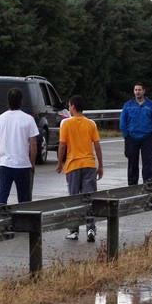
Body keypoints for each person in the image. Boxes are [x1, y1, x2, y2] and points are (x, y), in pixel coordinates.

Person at [56, 95, 102, 241]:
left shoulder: (66, 123)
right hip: (89, 165)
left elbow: (62, 145)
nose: (69, 108)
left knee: (74, 199)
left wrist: (59, 162)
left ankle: (74, 230)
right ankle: (91, 229)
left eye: (69, 106)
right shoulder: (91, 124)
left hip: (73, 165)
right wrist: (100, 165)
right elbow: (97, 145)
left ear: (73, 107)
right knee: (89, 199)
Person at [0, 88, 40, 205]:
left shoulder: (0, 119)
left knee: (3, 195)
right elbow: (33, 144)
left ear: (8, 101)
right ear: (21, 101)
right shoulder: (28, 119)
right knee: (24, 199)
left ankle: (1, 219)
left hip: (5, 164)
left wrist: (0, 158)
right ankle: (24, 221)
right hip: (23, 164)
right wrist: (32, 163)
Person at [119, 83, 152, 185]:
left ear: (144, 91)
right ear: (134, 92)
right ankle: (132, 185)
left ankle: (149, 183)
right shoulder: (128, 105)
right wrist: (126, 134)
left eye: (139, 90)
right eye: (136, 90)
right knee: (132, 163)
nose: (137, 92)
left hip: (147, 137)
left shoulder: (151, 105)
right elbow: (122, 121)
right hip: (132, 138)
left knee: (149, 162)